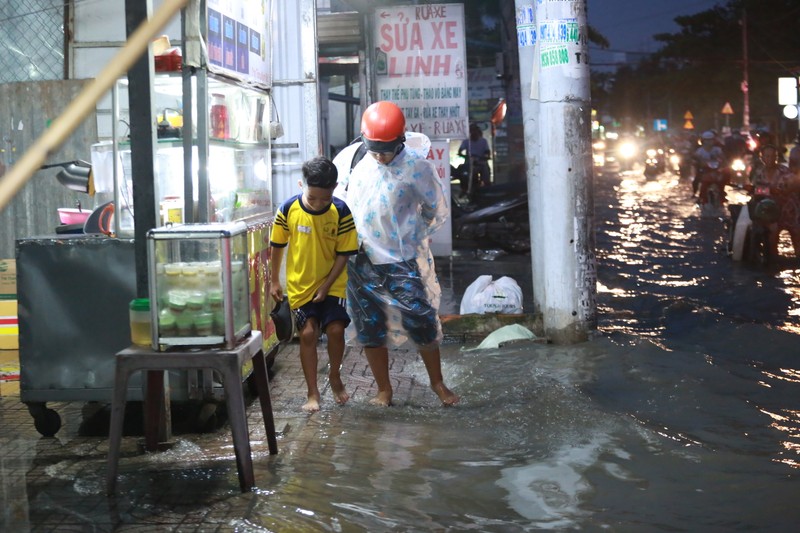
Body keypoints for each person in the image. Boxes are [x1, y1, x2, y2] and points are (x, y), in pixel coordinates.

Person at [338, 101, 460, 407]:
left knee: (421, 320)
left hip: (401, 259)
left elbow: (436, 211)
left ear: (400, 141)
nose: (380, 156)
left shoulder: (417, 168)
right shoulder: (354, 160)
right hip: (360, 260)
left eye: (386, 149)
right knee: (369, 326)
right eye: (374, 148)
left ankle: (438, 383)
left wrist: (413, 236)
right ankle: (384, 390)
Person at [269, 156, 359, 412]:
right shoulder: (288, 209)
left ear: (335, 188)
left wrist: (326, 285)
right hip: (300, 285)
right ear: (301, 185)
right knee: (307, 334)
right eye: (312, 198)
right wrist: (275, 280)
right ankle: (312, 392)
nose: (319, 203)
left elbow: (345, 253)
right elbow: (277, 245)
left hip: (333, 284)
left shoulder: (341, 211)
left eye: (325, 198)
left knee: (335, 331)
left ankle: (334, 376)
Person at [748, 144, 800, 259]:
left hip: (790, 211)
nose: (770, 159)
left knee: (797, 239)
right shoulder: (759, 173)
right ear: (762, 158)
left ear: (777, 158)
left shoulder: (785, 171)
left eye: (773, 156)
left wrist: (764, 190)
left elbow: (787, 187)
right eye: (767, 156)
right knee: (772, 237)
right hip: (772, 212)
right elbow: (756, 190)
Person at [693, 130, 726, 200]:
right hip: (704, 170)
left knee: (724, 177)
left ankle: (722, 194)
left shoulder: (717, 149)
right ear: (703, 141)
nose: (709, 142)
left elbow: (723, 157)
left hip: (716, 170)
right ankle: (696, 194)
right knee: (696, 180)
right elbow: (695, 158)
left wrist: (723, 162)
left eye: (710, 140)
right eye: (707, 140)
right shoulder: (700, 151)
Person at [457, 123, 491, 191]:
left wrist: (485, 156)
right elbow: (460, 150)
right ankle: (464, 189)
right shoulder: (466, 141)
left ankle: (488, 188)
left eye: (475, 130)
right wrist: (463, 155)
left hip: (481, 162)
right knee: (463, 173)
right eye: (472, 131)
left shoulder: (483, 141)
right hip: (470, 162)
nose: (473, 132)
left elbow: (487, 151)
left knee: (486, 172)